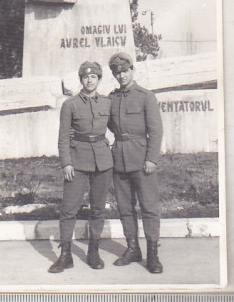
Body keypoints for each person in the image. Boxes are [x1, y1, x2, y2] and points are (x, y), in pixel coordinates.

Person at [48, 61, 113, 273]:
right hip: (77, 161)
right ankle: (65, 255)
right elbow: (63, 137)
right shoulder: (71, 105)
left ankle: (93, 251)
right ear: (81, 80)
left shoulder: (107, 103)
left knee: (98, 209)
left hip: (103, 161)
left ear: (99, 79)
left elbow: (119, 126)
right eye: (85, 77)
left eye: (94, 77)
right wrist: (66, 162)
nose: (89, 80)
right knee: (69, 209)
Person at [108, 52, 163, 273]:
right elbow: (111, 126)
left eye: (125, 71)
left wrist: (151, 159)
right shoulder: (111, 98)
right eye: (117, 73)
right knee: (125, 208)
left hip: (142, 160)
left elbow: (156, 131)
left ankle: (152, 254)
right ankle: (133, 249)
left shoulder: (146, 96)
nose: (121, 76)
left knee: (149, 208)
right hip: (119, 159)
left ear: (133, 70)